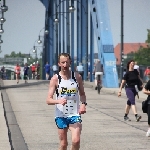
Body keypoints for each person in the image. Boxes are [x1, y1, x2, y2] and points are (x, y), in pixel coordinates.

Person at [46, 53, 87, 150]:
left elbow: (82, 94)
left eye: (67, 62)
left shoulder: (77, 77)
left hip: (74, 114)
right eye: (62, 62)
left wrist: (83, 104)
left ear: (70, 63)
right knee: (63, 144)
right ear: (59, 64)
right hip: (61, 115)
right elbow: (48, 100)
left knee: (76, 140)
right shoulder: (55, 79)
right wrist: (58, 101)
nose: (65, 65)